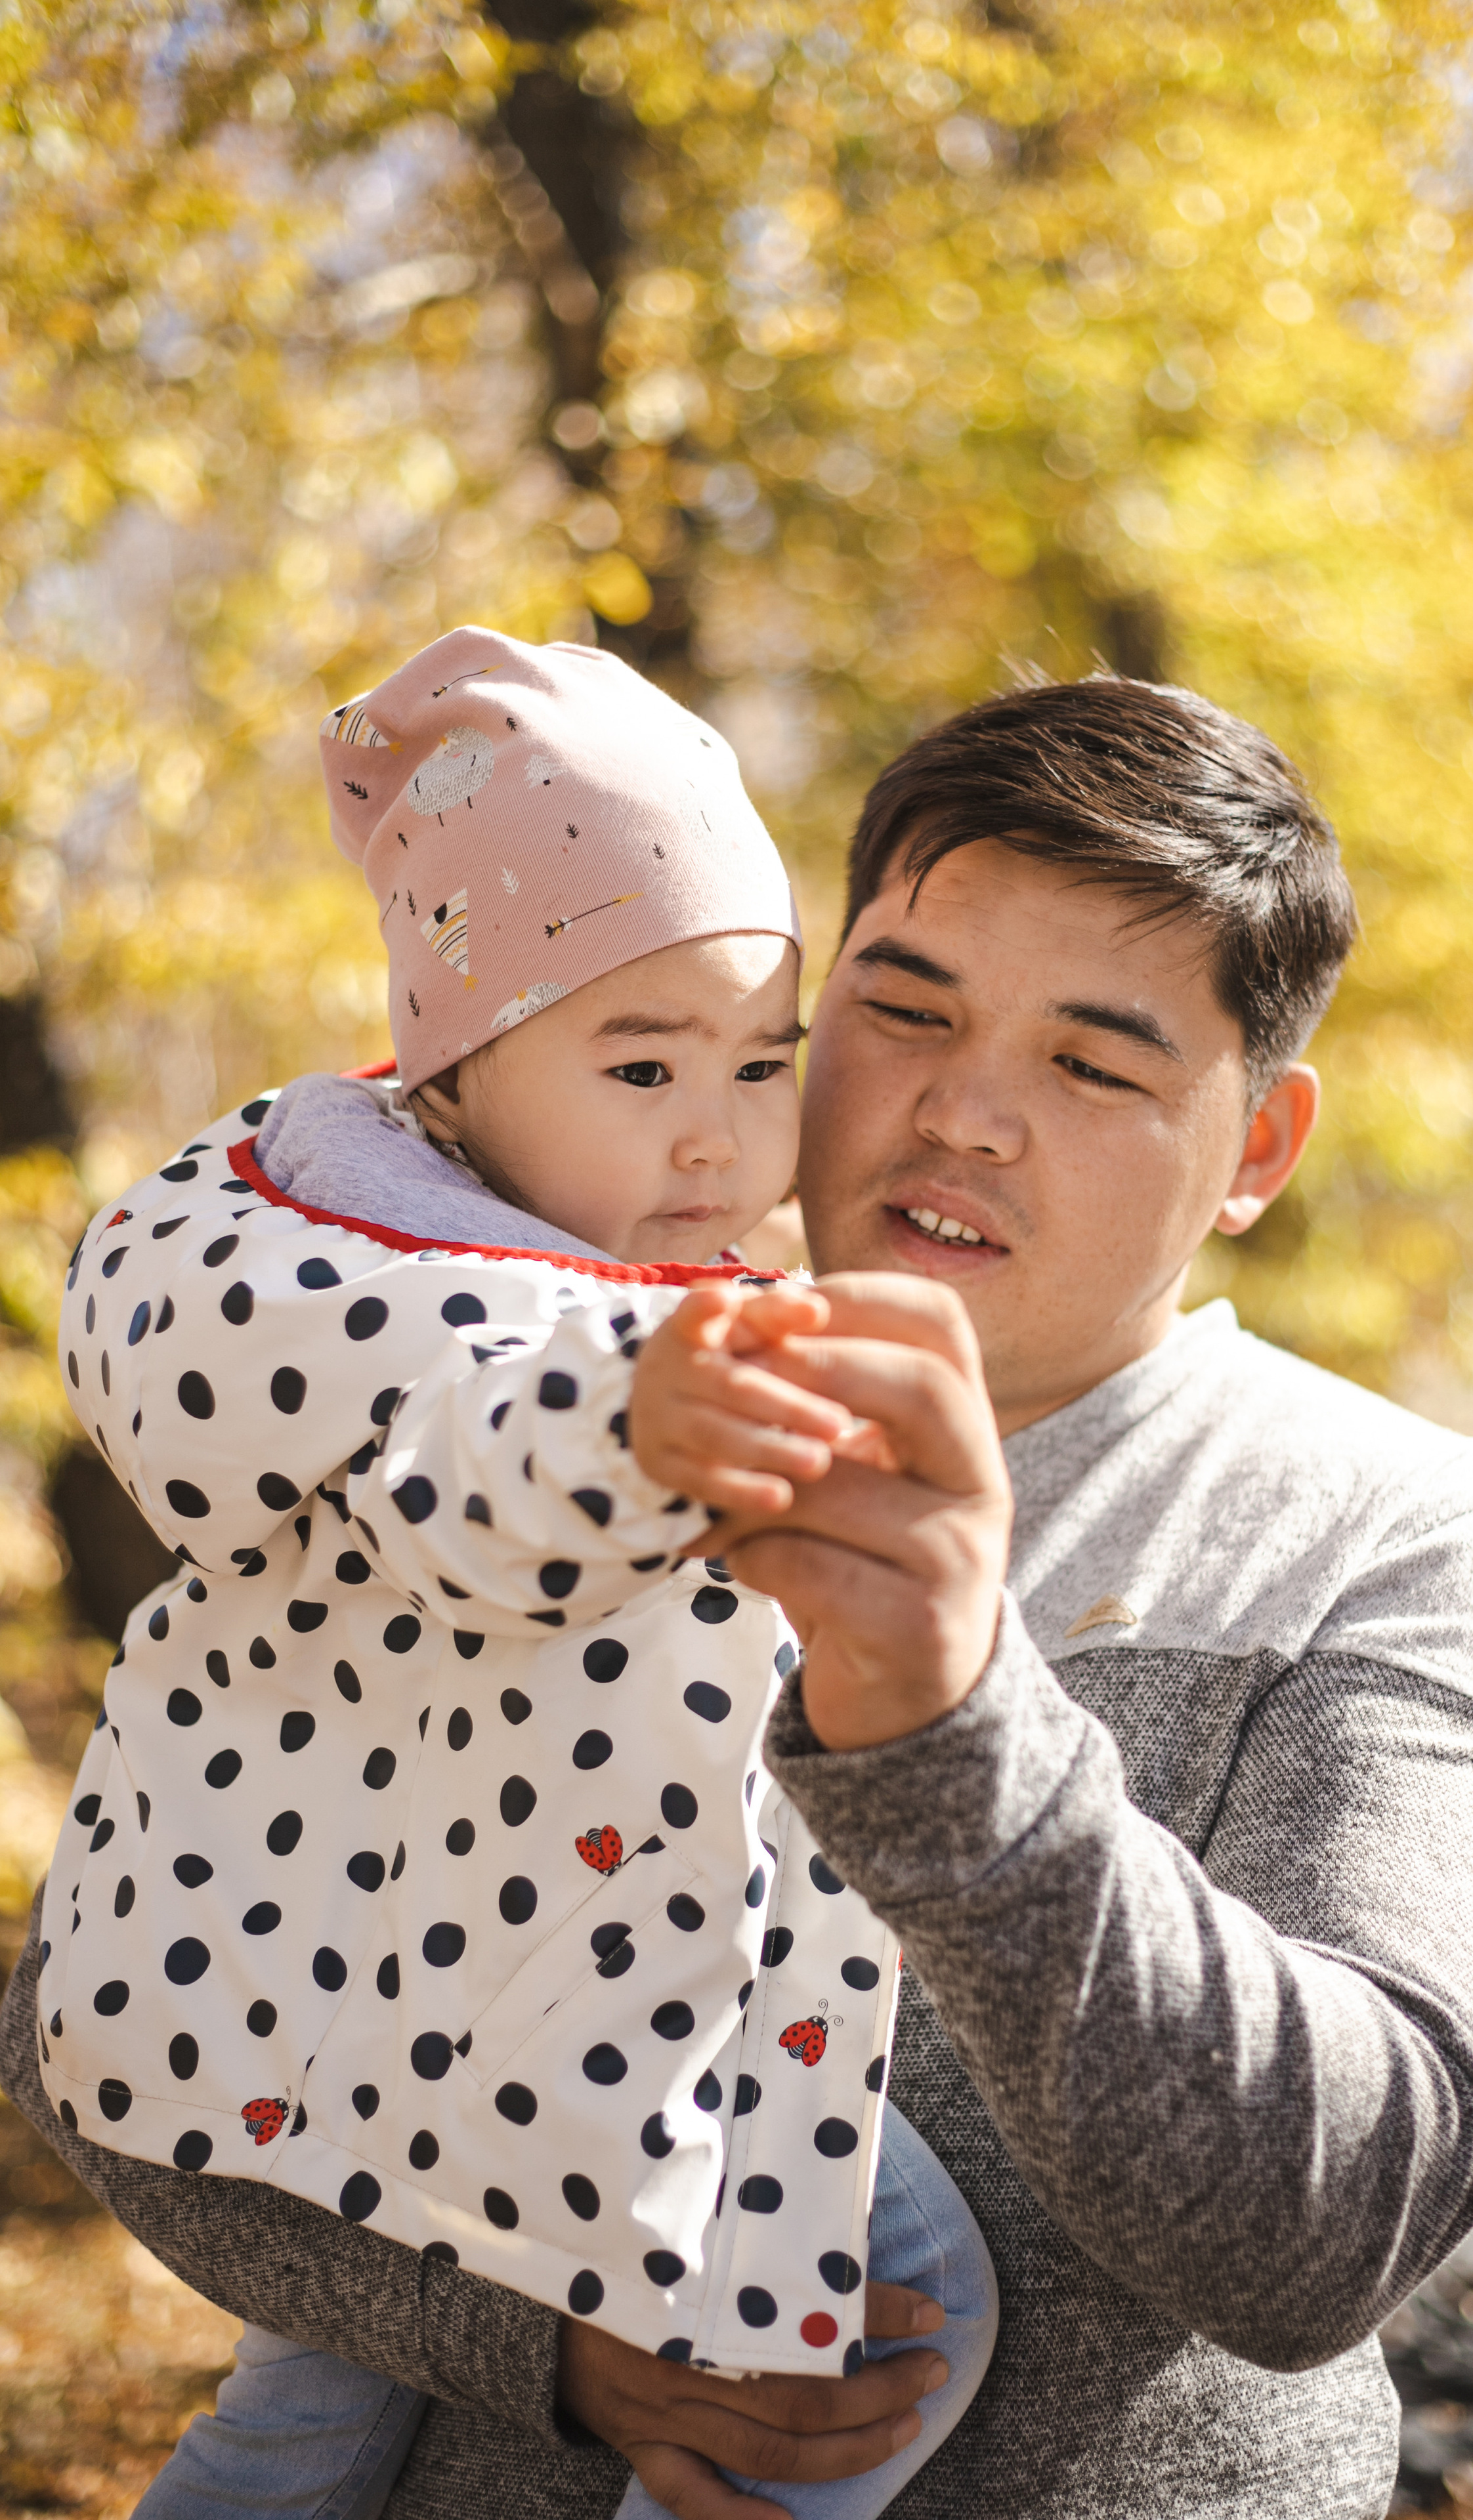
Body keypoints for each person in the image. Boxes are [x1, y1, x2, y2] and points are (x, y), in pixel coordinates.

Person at [2, 671, 1473, 2519]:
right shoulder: (532, 1397)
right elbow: (118, 2016)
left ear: (1256, 1147)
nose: (964, 1116)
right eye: (903, 1011)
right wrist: (531, 2332)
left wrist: (954, 1736)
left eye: (1092, 1065)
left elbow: (1330, 2237)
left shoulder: (1398, 1541)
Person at [27, 629, 996, 2520]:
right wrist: (641, 1421)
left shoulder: (583, 1257)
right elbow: (472, 1474)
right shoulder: (395, 1283)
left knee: (303, 2429)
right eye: (641, 1064)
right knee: (904, 2295)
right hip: (433, 1993)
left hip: (493, 1964)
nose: (718, 1131)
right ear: (454, 1076)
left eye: (761, 1062)